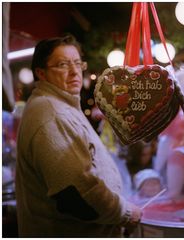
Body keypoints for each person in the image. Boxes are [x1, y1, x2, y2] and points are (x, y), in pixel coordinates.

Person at [15, 35, 141, 237]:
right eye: (63, 65)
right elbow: (77, 194)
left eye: (77, 63)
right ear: (41, 73)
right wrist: (124, 212)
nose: (74, 72)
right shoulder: (52, 113)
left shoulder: (61, 104)